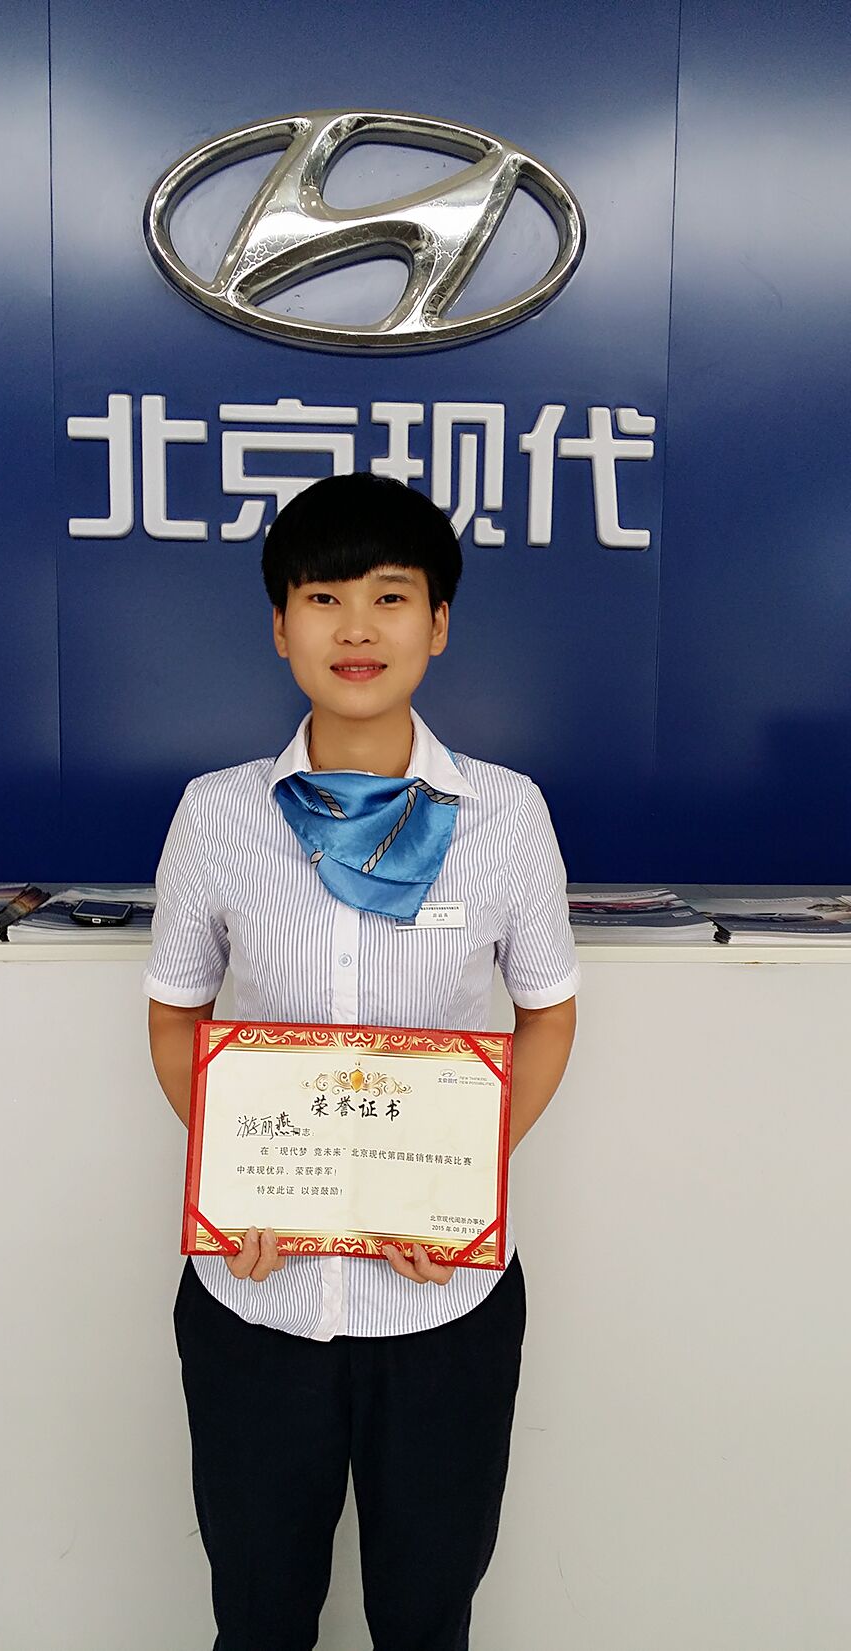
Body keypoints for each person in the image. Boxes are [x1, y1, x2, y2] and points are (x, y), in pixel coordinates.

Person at [144, 471, 580, 1651]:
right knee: (259, 1619)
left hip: (445, 1304)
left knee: (426, 1620)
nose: (355, 627)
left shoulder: (505, 815)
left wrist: (460, 1182)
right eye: (322, 596)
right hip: (255, 1296)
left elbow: (546, 1016)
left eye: (390, 596)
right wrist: (236, 1183)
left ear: (437, 625)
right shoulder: (217, 815)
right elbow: (175, 1016)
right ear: (279, 624)